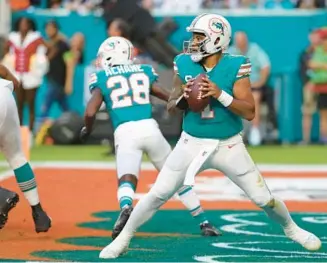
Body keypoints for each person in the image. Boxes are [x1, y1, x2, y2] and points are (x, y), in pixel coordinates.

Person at [99, 14, 321, 259]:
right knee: (157, 194)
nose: (192, 42)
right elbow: (172, 105)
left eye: (198, 36)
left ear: (216, 39)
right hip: (190, 142)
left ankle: (292, 229)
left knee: (264, 199)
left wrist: (219, 94)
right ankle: (124, 238)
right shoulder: (183, 63)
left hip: (228, 145)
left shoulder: (236, 64)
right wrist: (184, 97)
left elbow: (249, 111)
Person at [80, 36, 220, 240]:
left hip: (125, 132)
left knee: (127, 179)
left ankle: (127, 207)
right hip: (150, 129)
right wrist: (187, 101)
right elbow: (166, 96)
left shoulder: (101, 77)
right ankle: (204, 222)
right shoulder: (143, 71)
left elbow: (91, 112)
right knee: (178, 178)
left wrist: (88, 129)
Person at [0, 64, 51, 232]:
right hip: (4, 94)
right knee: (16, 156)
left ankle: (3, 197)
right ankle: (39, 213)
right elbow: (14, 81)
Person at [4, 17, 48, 135]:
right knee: (18, 104)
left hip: (31, 75)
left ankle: (30, 131)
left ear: (30, 25)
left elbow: (48, 48)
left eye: (26, 23)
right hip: (17, 75)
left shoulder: (36, 37)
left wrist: (41, 62)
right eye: (21, 23)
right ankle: (19, 131)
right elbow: (5, 51)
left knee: (31, 103)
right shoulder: (13, 37)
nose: (23, 25)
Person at [229, 32, 271, 146]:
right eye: (238, 41)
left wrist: (260, 82)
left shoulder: (255, 49)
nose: (240, 43)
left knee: (255, 98)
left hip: (253, 86)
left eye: (242, 40)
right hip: (235, 87)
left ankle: (255, 129)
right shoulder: (230, 52)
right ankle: (233, 132)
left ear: (246, 40)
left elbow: (265, 66)